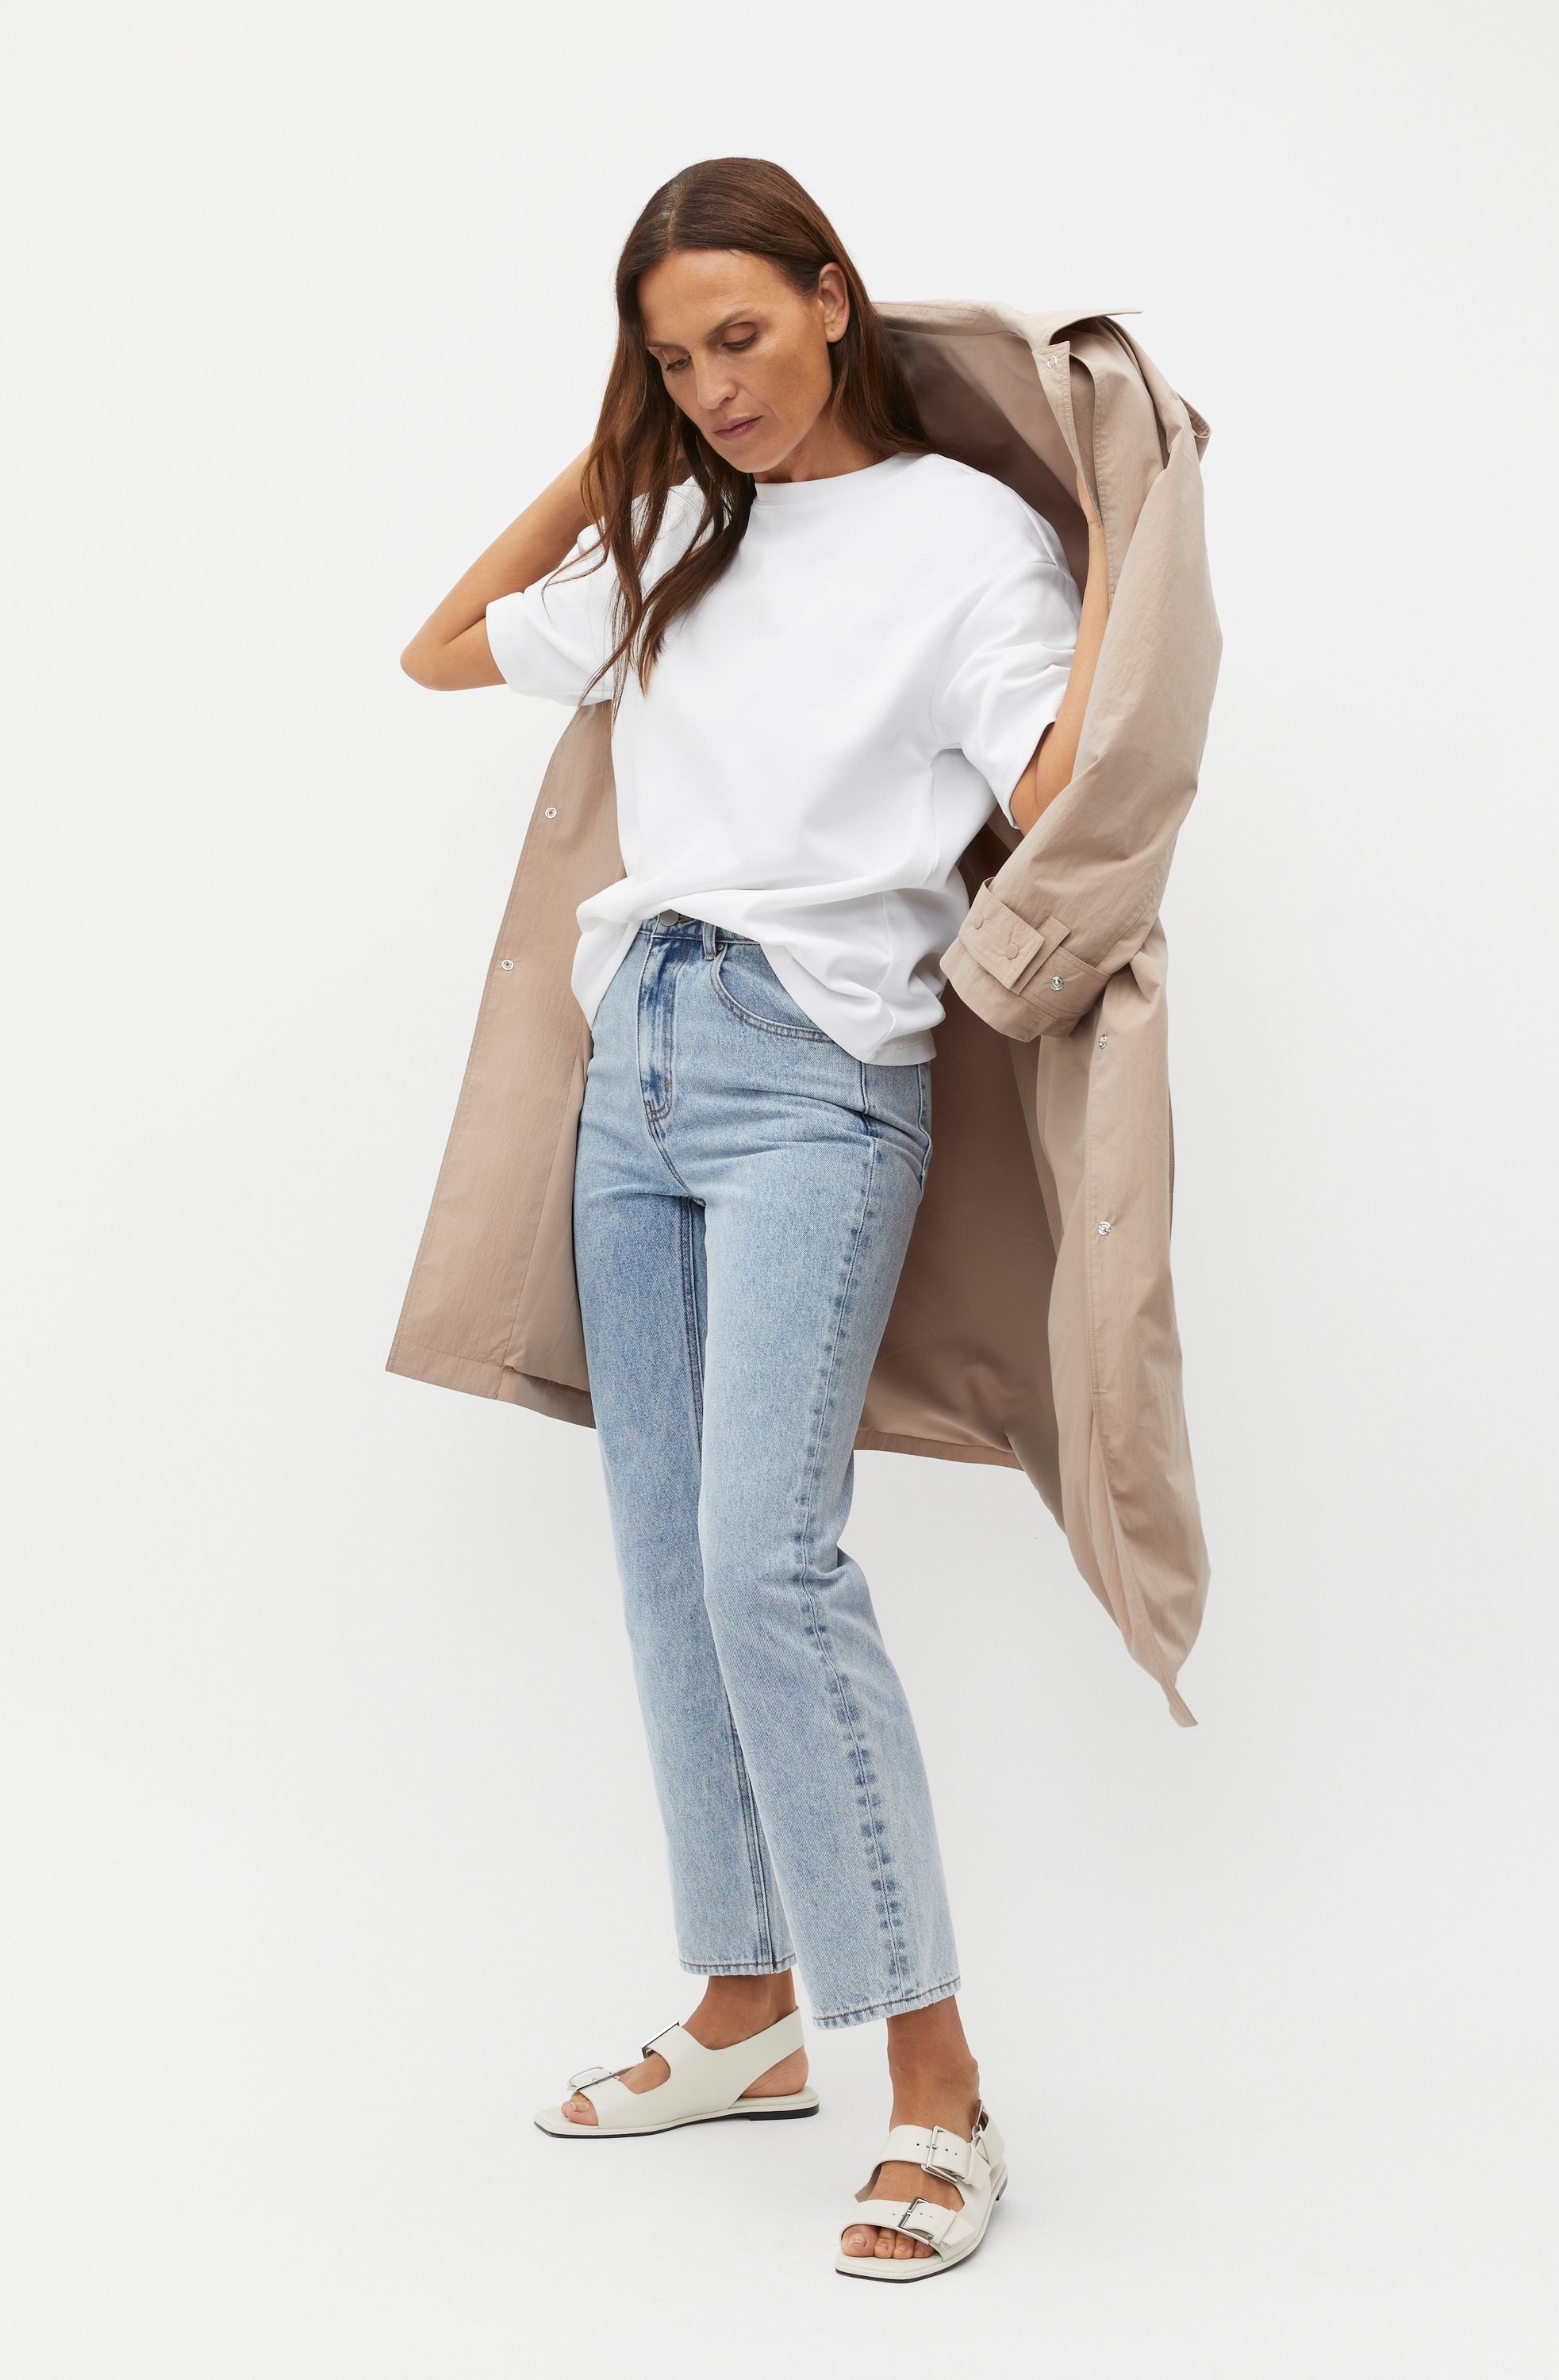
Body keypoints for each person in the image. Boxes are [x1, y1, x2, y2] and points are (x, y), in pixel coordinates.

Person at [399, 155, 1110, 2282]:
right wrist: (618, 456)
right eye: (672, 357)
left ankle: (939, 2084)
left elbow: (1049, 790)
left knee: (765, 1565)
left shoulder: (966, 538)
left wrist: (1128, 609)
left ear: (831, 299)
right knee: (664, 1567)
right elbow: (441, 649)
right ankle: (745, 2009)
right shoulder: (684, 535)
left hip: (816, 1065)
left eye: (741, 335)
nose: (718, 385)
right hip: (639, 1060)